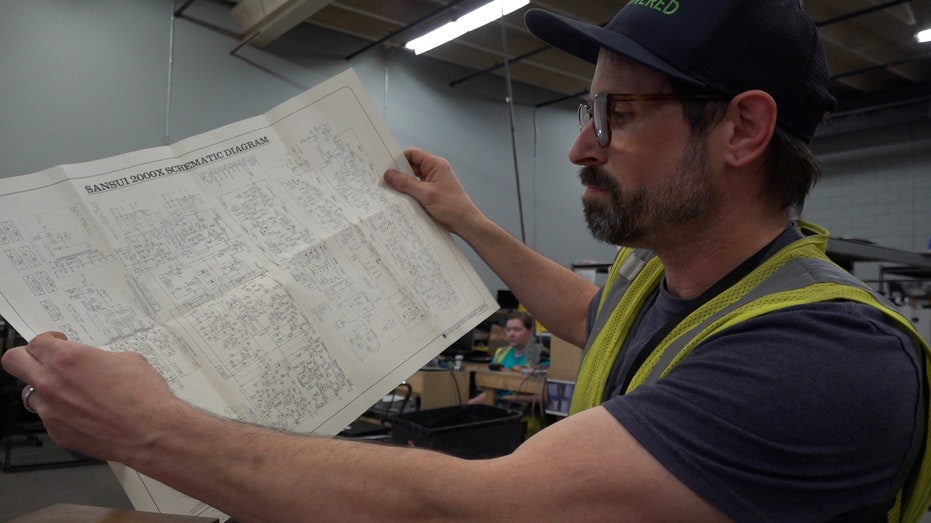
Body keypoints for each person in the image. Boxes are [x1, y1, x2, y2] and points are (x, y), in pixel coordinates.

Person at [4, 1, 931, 521]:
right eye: (584, 111)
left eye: (619, 114)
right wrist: (466, 219)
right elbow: (587, 312)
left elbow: (476, 512)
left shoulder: (821, 358)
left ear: (742, 128)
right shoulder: (676, 278)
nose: (579, 148)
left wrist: (153, 430)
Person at [468, 311, 544, 406]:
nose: (511, 334)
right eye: (508, 330)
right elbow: (490, 391)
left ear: (530, 332)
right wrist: (466, 405)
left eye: (517, 330)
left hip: (523, 413)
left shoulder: (540, 356)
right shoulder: (501, 353)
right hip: (497, 408)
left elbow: (547, 397)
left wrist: (514, 399)